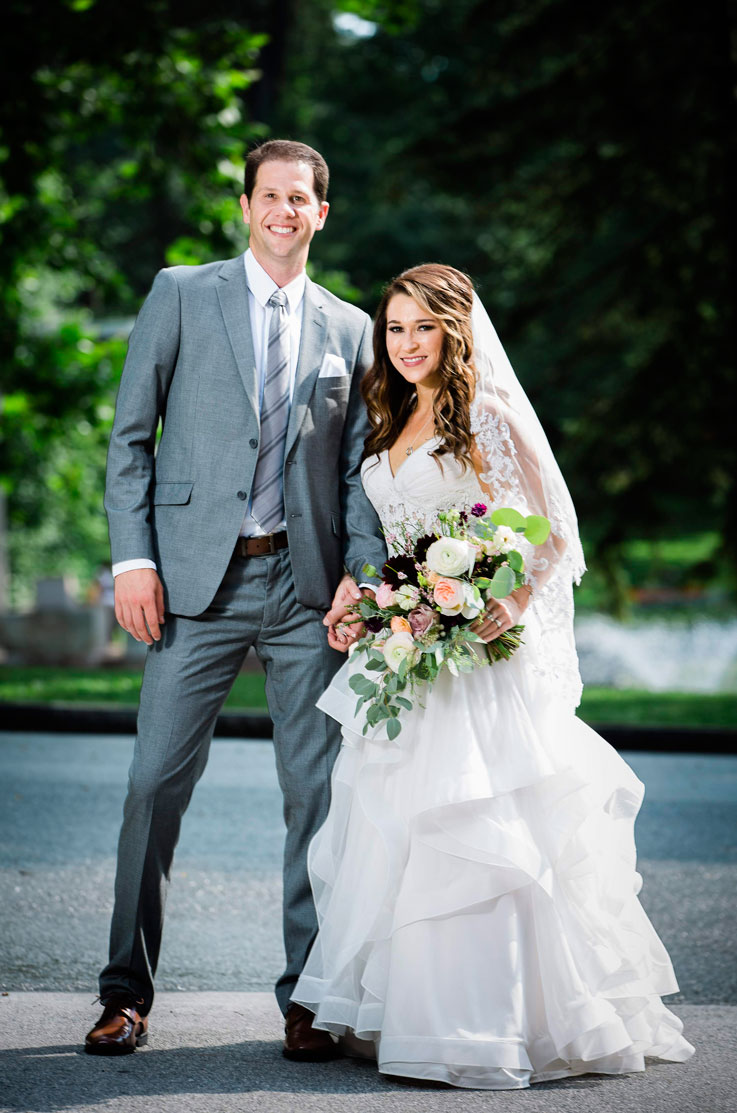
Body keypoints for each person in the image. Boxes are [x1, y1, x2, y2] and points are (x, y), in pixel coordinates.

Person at [292, 263, 695, 1088]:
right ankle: (411, 1010)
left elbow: (551, 534)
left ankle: (492, 1022)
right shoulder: (392, 414)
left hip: (476, 657)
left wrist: (502, 603)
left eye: (422, 328)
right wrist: (367, 602)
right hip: (409, 651)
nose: (405, 344)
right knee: (394, 830)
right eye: (393, 328)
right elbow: (399, 541)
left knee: (479, 833)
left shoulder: (488, 414)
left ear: (454, 330)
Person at [84, 140, 386, 1057]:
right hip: (190, 586)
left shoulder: (349, 327)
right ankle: (124, 993)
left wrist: (358, 575)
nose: (284, 210)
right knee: (151, 786)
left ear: (320, 214)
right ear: (246, 205)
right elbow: (130, 439)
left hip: (306, 590)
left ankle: (309, 996)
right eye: (270, 195)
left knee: (318, 796)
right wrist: (132, 561)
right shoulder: (181, 292)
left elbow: (359, 472)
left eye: (301, 198)